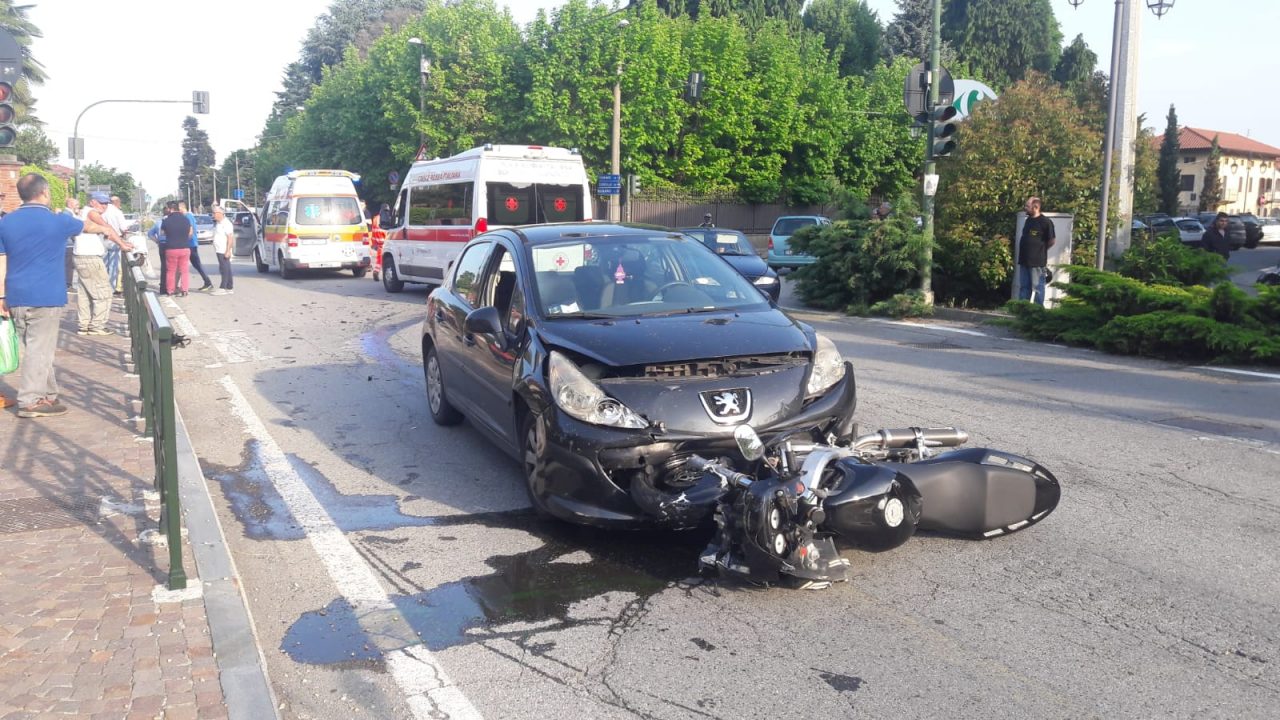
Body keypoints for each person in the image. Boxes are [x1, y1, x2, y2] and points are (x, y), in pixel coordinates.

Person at [0, 173, 119, 418]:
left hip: (16, 294)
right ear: (44, 192)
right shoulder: (58, 221)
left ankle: (48, 395)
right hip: (46, 295)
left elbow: (1, 260)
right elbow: (87, 226)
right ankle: (30, 401)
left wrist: (1, 296)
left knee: (35, 348)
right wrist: (106, 229)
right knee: (39, 350)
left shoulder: (6, 222)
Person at [73, 193, 129, 335]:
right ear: (92, 202)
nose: (104, 206)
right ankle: (97, 326)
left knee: (84, 293)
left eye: (106, 203)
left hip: (80, 256)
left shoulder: (83, 212)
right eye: (101, 203)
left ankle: (83, 325)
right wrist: (122, 244)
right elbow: (108, 228)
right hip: (90, 257)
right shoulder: (91, 213)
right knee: (104, 292)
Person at [1017, 196, 1056, 306]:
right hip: (1024, 260)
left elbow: (1052, 240)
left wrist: (1041, 250)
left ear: (1036, 207)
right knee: (1024, 287)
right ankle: (1022, 310)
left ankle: (1038, 311)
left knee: (1037, 287)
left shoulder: (1045, 222)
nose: (1025, 208)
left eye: (1027, 206)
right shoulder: (1028, 220)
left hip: (1037, 262)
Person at [178, 201, 213, 291]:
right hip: (190, 244)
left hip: (191, 244)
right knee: (193, 264)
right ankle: (207, 282)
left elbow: (190, 231)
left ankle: (208, 282)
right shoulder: (186, 217)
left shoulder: (188, 216)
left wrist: (184, 241)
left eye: (178, 209)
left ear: (182, 208)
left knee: (197, 264)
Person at [161, 201, 193, 296]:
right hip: (184, 248)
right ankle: (185, 290)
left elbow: (162, 233)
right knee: (184, 270)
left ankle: (170, 290)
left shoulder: (166, 221)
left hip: (171, 249)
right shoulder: (186, 220)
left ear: (170, 209)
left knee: (171, 271)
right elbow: (190, 233)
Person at [102, 194, 129, 294]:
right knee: (114, 265)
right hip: (115, 240)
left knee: (104, 264)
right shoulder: (117, 212)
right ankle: (111, 288)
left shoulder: (102, 211)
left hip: (102, 239)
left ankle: (103, 287)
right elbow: (124, 228)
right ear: (118, 203)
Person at [210, 205, 234, 294]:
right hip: (219, 249)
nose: (213, 215)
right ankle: (229, 287)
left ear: (221, 213)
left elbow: (230, 238)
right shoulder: (218, 223)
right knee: (226, 267)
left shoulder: (226, 223)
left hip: (223, 249)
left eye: (214, 213)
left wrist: (228, 250)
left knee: (224, 268)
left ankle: (222, 287)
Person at [148, 207, 170, 294]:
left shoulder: (158, 222)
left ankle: (163, 288)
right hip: (170, 245)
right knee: (171, 267)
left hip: (161, 244)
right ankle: (170, 287)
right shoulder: (170, 222)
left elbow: (150, 234)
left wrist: (157, 240)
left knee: (164, 266)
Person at [62, 197, 79, 290]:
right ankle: (67, 283)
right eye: (76, 204)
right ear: (70, 205)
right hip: (68, 244)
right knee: (68, 265)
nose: (78, 206)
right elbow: (70, 229)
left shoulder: (68, 214)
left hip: (68, 243)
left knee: (68, 265)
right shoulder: (67, 214)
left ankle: (68, 283)